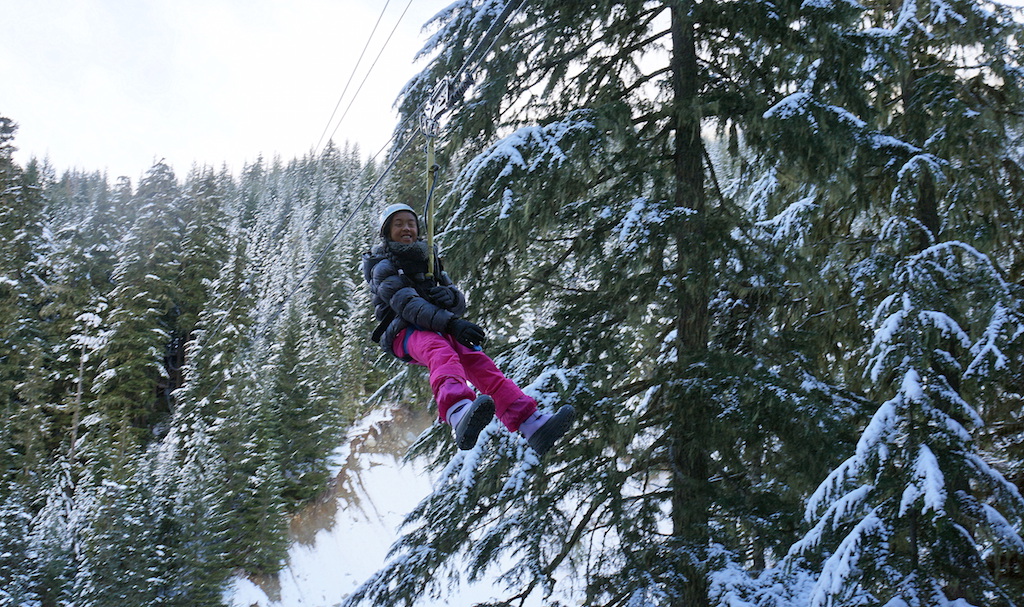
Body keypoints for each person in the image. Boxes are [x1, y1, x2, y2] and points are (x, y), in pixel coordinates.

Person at [362, 203, 574, 456]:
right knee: (438, 350)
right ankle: (457, 411)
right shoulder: (382, 266)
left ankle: (532, 424)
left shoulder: (428, 259)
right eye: (398, 224)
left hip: (436, 323)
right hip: (403, 331)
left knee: (477, 360)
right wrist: (451, 323)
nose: (407, 228)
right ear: (386, 232)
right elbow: (406, 304)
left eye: (411, 223)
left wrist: (448, 297)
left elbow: (458, 300)